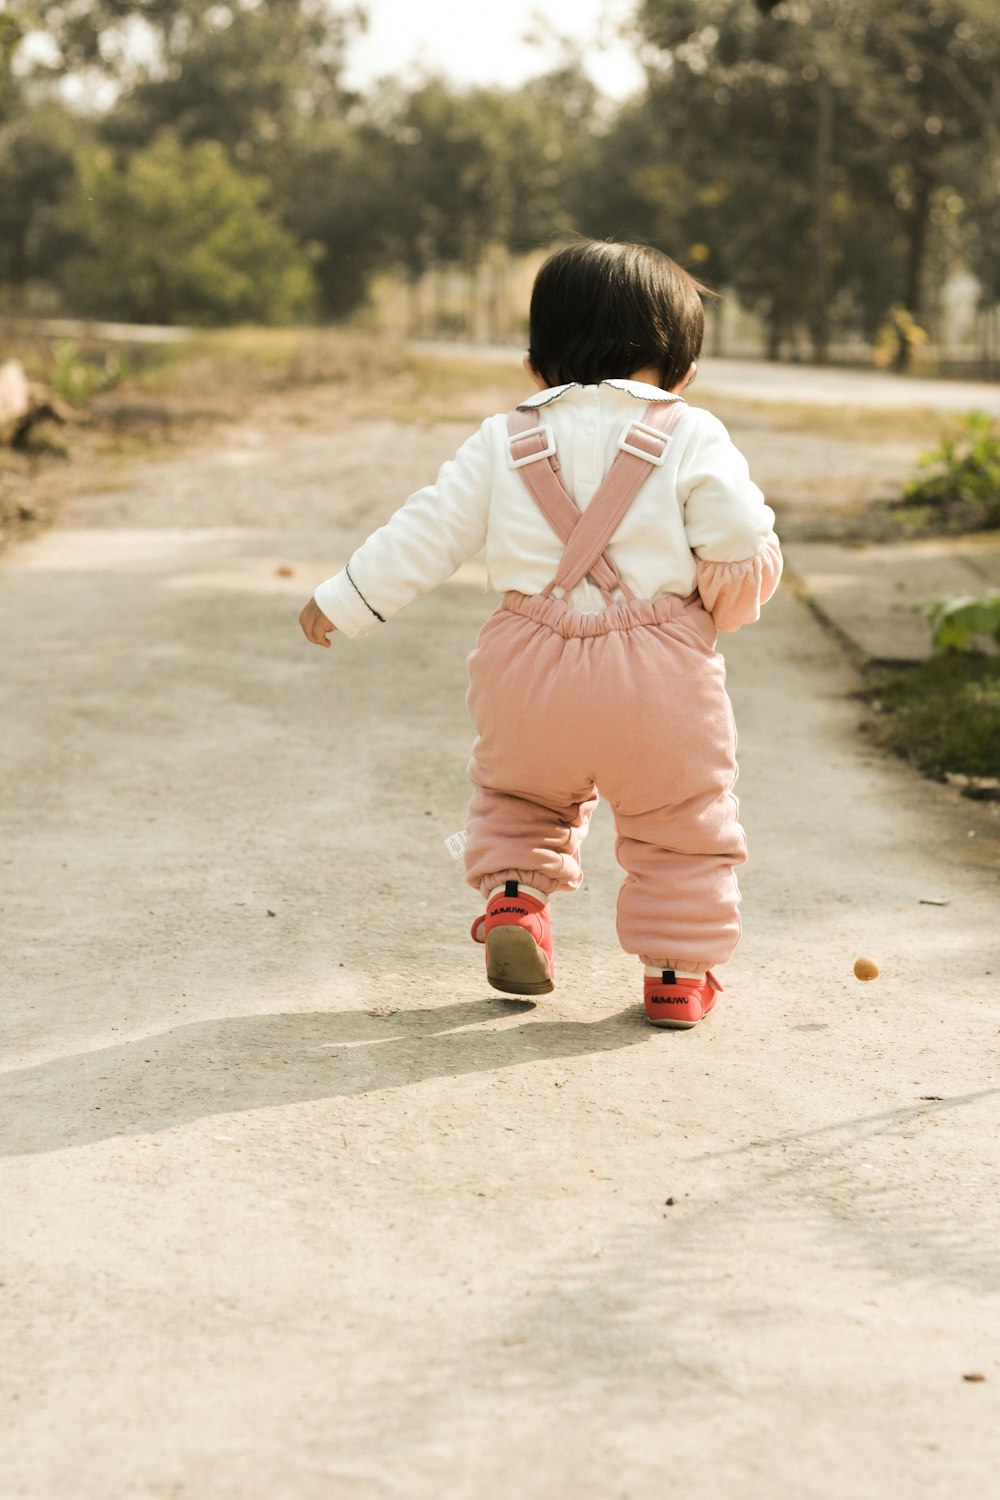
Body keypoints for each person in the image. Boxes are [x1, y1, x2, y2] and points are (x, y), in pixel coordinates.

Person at [299, 240, 781, 1029]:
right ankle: (675, 973)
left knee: (520, 798)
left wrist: (344, 597)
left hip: (527, 660)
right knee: (681, 824)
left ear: (535, 364)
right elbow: (734, 532)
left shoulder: (503, 438)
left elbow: (429, 530)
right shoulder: (692, 432)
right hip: (658, 673)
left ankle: (517, 905)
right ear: (682, 371)